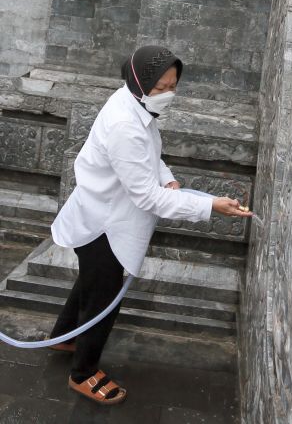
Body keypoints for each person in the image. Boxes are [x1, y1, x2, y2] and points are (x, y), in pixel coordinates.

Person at [47, 45, 250, 405]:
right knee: (102, 299)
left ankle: (65, 336)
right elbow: (148, 197)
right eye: (161, 88)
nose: (168, 94)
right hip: (106, 226)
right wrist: (211, 205)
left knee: (91, 285)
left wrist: (167, 176)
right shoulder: (125, 124)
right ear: (141, 81)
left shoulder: (133, 101)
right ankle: (83, 374)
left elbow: (149, 157)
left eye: (173, 86)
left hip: (102, 213)